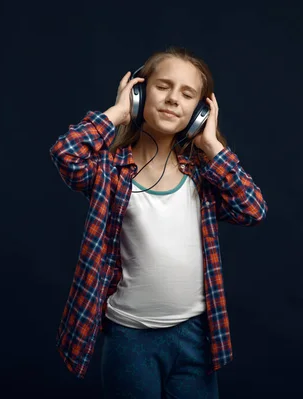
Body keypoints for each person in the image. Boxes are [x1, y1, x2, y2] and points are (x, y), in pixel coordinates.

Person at [48, 46, 268, 398]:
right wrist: (117, 114)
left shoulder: (201, 174)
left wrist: (211, 146)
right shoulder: (110, 171)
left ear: (199, 112)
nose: (173, 99)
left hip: (195, 335)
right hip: (130, 336)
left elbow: (253, 210)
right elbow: (66, 153)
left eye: (187, 94)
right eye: (163, 86)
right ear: (139, 93)